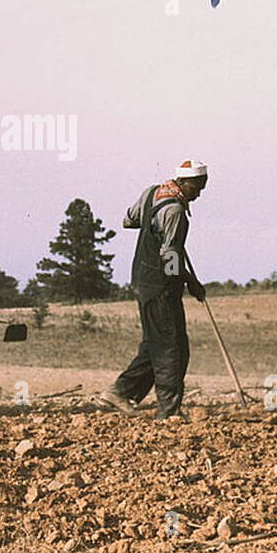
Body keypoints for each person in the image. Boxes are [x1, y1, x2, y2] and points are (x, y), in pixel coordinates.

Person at [96, 158, 209, 420]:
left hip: (142, 278)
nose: (199, 194)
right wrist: (188, 282)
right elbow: (169, 257)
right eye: (197, 187)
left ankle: (120, 392)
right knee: (172, 347)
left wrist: (156, 226)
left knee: (155, 344)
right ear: (183, 182)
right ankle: (168, 412)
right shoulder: (176, 212)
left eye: (202, 187)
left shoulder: (151, 193)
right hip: (160, 286)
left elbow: (129, 220)